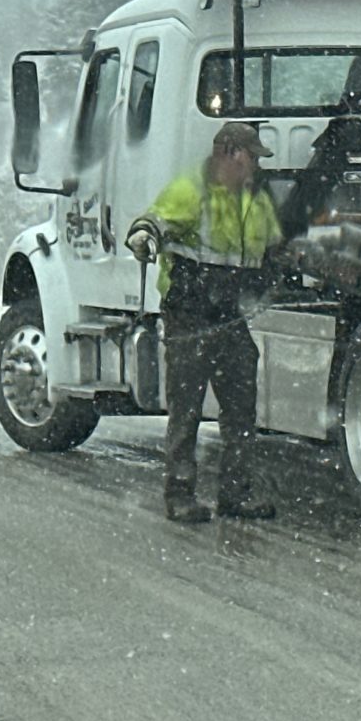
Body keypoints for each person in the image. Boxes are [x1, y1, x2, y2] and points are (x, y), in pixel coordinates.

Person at [125, 120, 284, 523]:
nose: (256, 166)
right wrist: (143, 236)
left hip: (228, 317)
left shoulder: (255, 200)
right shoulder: (189, 190)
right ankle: (179, 494)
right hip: (189, 316)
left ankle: (236, 493)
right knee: (187, 410)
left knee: (241, 408)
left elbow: (275, 248)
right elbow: (153, 223)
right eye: (251, 157)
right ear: (229, 153)